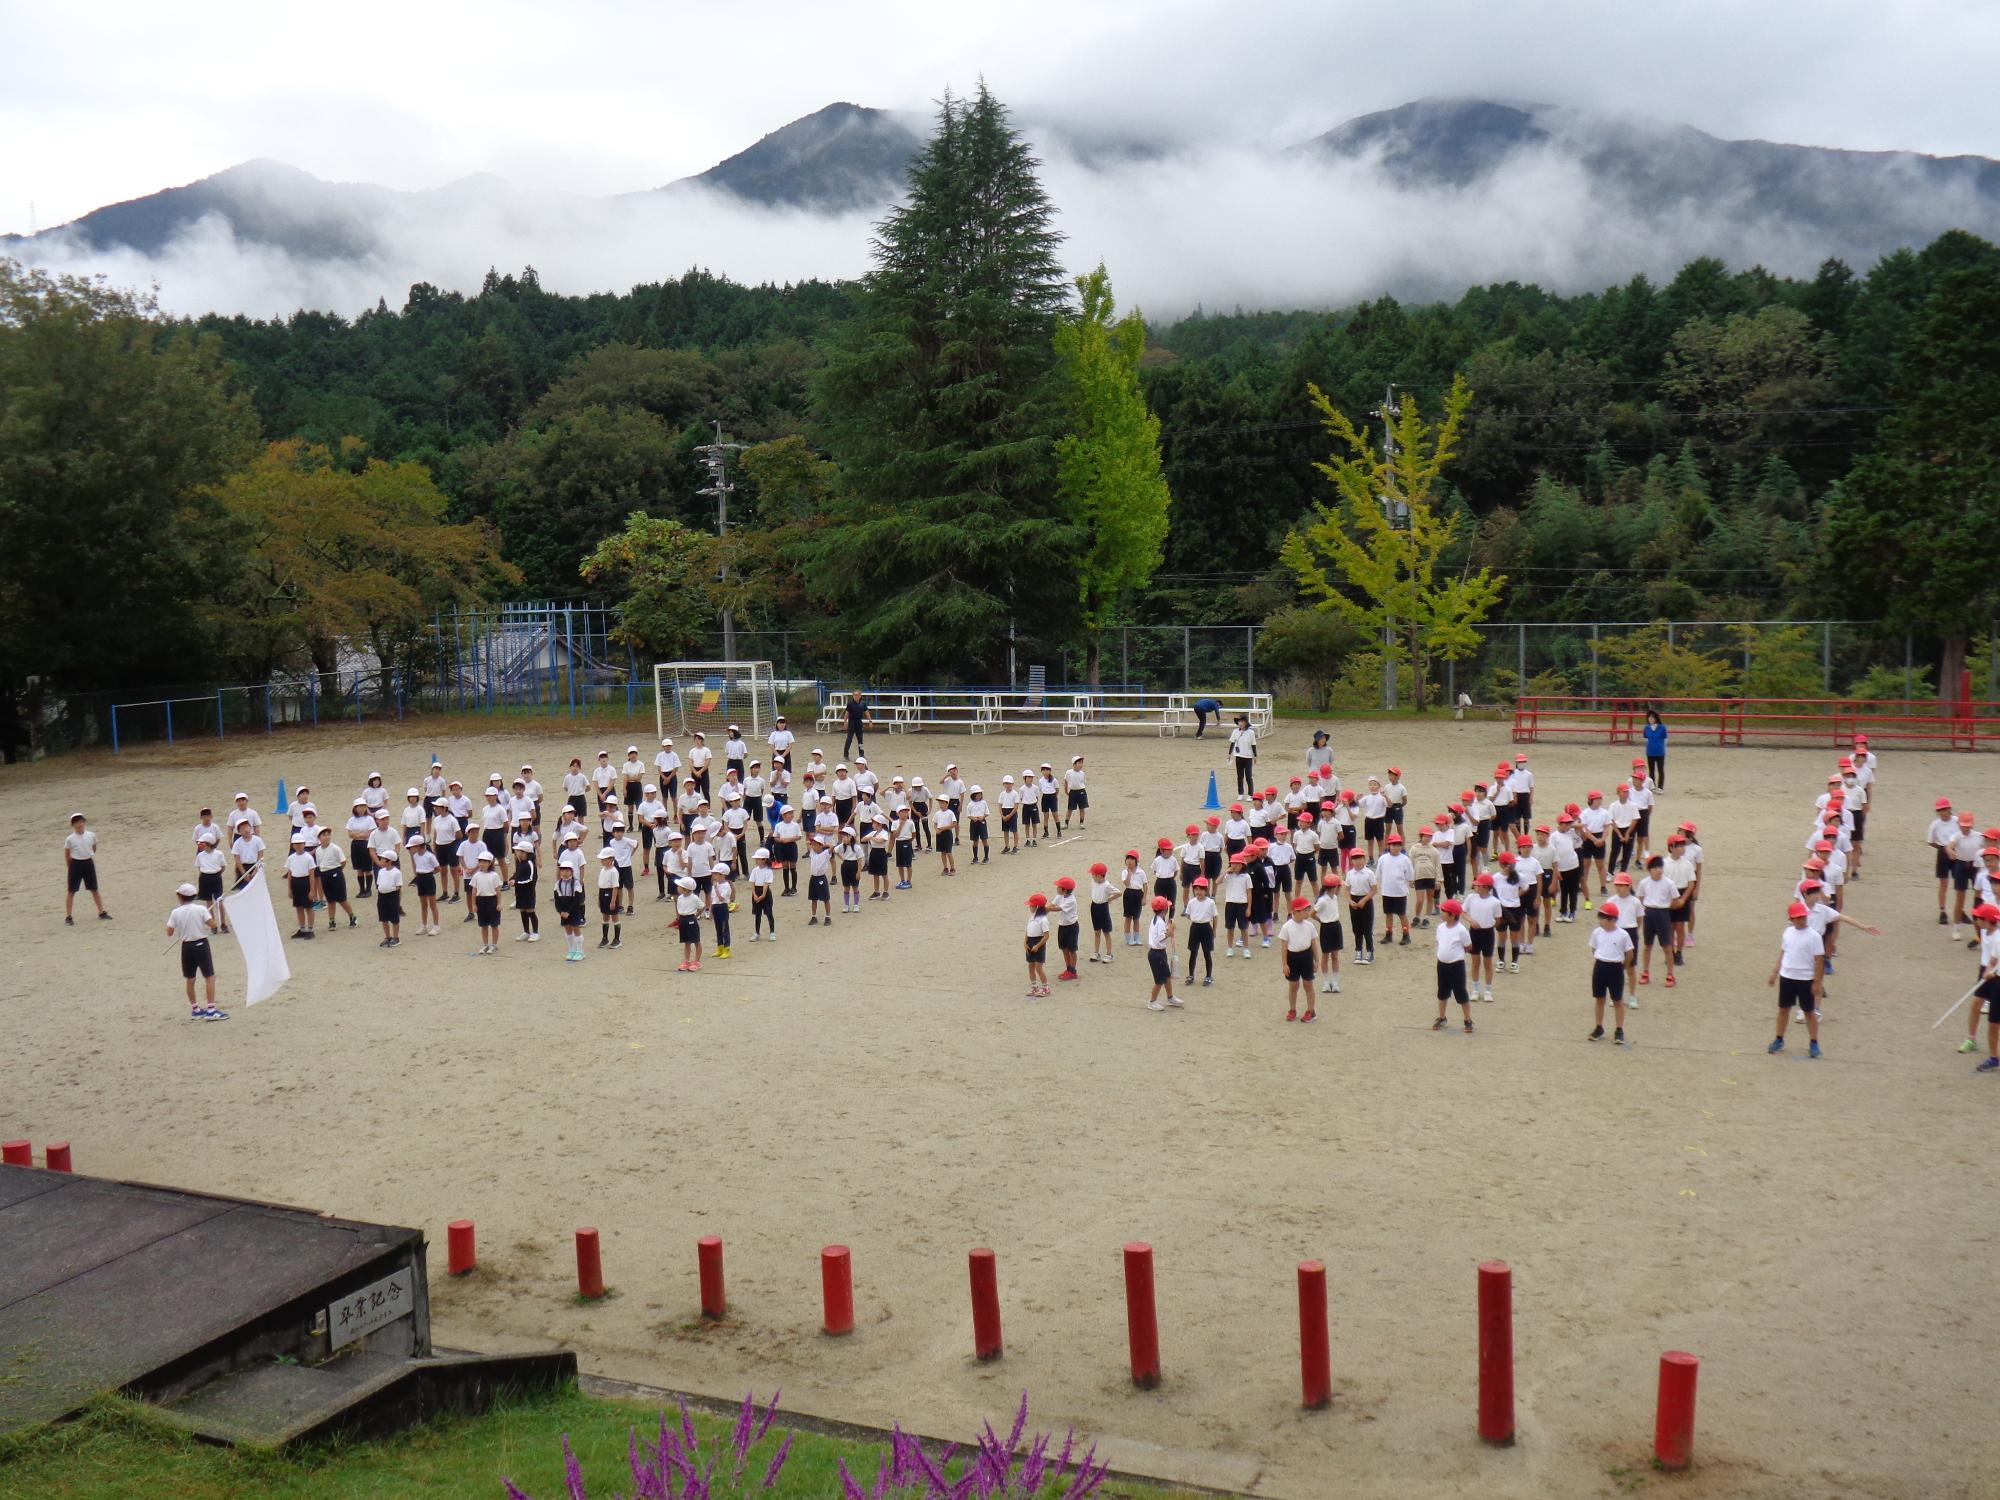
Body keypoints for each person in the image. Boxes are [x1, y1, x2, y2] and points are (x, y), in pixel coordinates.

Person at [1767, 901, 1825, 1057]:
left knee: (1809, 1012)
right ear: (1791, 919)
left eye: (1803, 917)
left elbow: (1819, 961)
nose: (1802, 920)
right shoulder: (1787, 933)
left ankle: (1814, 1042)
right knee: (1783, 1009)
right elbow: (1783, 953)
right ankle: (1779, 1039)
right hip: (1787, 977)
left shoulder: (1814, 936)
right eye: (1798, 918)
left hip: (1805, 979)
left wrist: (1817, 982)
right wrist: (1775, 972)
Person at [167, 882, 226, 1021]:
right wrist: (205, 919)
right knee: (209, 976)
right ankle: (211, 1009)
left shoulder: (176, 912)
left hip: (186, 946)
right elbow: (213, 925)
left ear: (180, 896)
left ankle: (195, 1009)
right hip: (201, 944)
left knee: (190, 978)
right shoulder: (200, 909)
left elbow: (169, 932)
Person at [1588, 901, 1633, 1044]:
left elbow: (1629, 954)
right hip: (1600, 966)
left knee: (1617, 1000)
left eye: (1603, 918)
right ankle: (1599, 1027)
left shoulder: (1623, 935)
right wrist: (1601, 958)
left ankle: (1619, 1029)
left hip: (1615, 968)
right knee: (1599, 999)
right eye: (1600, 917)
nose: (1600, 920)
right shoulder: (1597, 932)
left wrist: (1622, 967)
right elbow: (1594, 948)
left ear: (1613, 919)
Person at [1963, 902, 2000, 1067]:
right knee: (1976, 1004)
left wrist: (1994, 973)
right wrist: (1987, 971)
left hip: (1996, 977)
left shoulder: (1998, 938)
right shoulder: (1984, 932)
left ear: (1987, 920)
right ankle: (1971, 1039)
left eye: (1978, 918)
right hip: (1986, 971)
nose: (1976, 920)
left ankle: (1994, 1057)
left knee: (1994, 1020)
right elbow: (1991, 960)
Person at [1636, 854, 1680, 988]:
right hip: (1649, 913)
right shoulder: (1644, 883)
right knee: (1647, 945)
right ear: (1649, 869)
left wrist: (1667, 907)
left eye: (1660, 867)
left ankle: (1670, 974)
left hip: (1663, 913)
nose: (1659, 870)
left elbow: (1675, 899)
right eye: (1655, 867)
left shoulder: (1669, 883)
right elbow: (1640, 898)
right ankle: (1645, 972)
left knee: (1667, 946)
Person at [1432, 898, 1474, 1033]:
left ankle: (1467, 1019)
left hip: (1456, 966)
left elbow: (1468, 946)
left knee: (1461, 992)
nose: (1441, 912)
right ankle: (1442, 1017)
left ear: (1452, 915)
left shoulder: (1461, 930)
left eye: (1444, 911)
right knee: (1442, 992)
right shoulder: (1440, 927)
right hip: (1442, 965)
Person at [63, 811, 110, 924]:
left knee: (94, 889)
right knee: (71, 891)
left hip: (88, 863)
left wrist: (88, 854)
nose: (79, 824)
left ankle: (101, 912)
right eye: (76, 823)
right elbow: (67, 853)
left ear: (84, 822)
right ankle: (68, 916)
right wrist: (70, 866)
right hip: (75, 864)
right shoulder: (70, 839)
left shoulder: (91, 835)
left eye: (81, 822)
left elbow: (93, 847)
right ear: (73, 825)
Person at [1377, 832, 1414, 946]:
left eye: (1398, 845)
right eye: (1393, 845)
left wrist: (1410, 881)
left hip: (1400, 892)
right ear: (1389, 846)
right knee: (1388, 914)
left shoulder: (1405, 859)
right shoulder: (1383, 858)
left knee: (1402, 914)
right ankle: (1388, 934)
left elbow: (1409, 874)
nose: (1396, 847)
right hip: (1387, 891)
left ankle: (1406, 934)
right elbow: (1378, 873)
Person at [314, 826, 354, 931]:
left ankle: (352, 916)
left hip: (336, 873)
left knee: (342, 899)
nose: (326, 837)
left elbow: (343, 861)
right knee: (330, 900)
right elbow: (319, 865)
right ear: (319, 838)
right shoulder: (318, 851)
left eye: (328, 835)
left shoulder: (335, 848)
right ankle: (332, 921)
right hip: (324, 874)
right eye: (324, 835)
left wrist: (337, 871)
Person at [1145, 895, 1180, 1011]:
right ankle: (1152, 1001)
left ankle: (1170, 997)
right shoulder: (1159, 922)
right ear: (1165, 910)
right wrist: (1171, 929)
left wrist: (1168, 929)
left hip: (1158, 953)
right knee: (1159, 980)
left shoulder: (1156, 920)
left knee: (1167, 976)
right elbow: (1161, 938)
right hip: (1157, 954)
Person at [1313, 870, 1345, 994]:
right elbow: (1312, 913)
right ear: (1334, 887)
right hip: (1326, 927)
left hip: (1336, 926)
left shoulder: (1334, 898)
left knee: (1335, 955)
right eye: (1339, 886)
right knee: (1326, 955)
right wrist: (1321, 921)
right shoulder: (1322, 900)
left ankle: (1335, 982)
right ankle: (1326, 982)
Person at [1185, 875, 1218, 986]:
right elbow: (1188, 915)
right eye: (1196, 889)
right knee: (1193, 952)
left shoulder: (1210, 902)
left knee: (1206, 953)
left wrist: (1214, 930)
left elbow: (1215, 917)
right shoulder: (1191, 902)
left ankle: (1208, 976)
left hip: (1206, 928)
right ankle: (1191, 975)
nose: (1198, 892)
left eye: (1201, 889)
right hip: (1195, 927)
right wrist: (1196, 918)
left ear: (1206, 890)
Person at [284, 833, 317, 940]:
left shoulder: (308, 858)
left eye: (300, 843)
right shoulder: (291, 858)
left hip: (305, 882)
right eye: (296, 844)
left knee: (308, 907)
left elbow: (312, 875)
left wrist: (312, 890)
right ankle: (302, 929)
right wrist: (289, 889)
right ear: (293, 845)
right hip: (295, 882)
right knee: (299, 907)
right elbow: (290, 874)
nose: (298, 846)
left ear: (304, 844)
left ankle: (310, 929)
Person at [373, 849, 404, 948]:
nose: (380, 860)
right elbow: (379, 884)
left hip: (392, 896)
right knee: (383, 918)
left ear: (389, 861)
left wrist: (398, 901)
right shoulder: (381, 871)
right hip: (382, 896)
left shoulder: (397, 872)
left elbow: (398, 886)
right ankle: (387, 937)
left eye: (383, 859)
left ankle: (396, 937)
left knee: (394, 918)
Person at [1053, 874, 1081, 981]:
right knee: (1064, 949)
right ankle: (1068, 969)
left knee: (1072, 950)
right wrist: (1043, 909)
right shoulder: (1059, 896)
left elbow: (1058, 908)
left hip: (1071, 927)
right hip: (1062, 926)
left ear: (1064, 890)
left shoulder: (1071, 900)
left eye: (1059, 887)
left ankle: (1073, 971)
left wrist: (1045, 909)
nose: (1057, 888)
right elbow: (1052, 905)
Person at [512, 836, 539, 942]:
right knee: (522, 911)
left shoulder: (530, 864)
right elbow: (517, 874)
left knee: (530, 911)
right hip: (519, 892)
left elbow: (531, 879)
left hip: (528, 892)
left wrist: (516, 882)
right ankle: (526, 932)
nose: (516, 852)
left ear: (524, 853)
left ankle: (535, 932)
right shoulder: (520, 863)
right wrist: (512, 879)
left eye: (518, 851)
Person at [1228, 714, 1258, 797]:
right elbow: (1232, 743)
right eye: (1239, 721)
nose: (1240, 723)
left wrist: (1255, 756)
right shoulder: (1235, 731)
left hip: (1248, 757)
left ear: (1246, 723)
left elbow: (1253, 744)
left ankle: (1250, 794)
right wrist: (1229, 754)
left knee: (1248, 776)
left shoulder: (1251, 732)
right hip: (1238, 756)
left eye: (1242, 721)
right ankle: (1240, 793)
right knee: (1240, 776)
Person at [1643, 709, 1668, 789]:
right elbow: (1646, 739)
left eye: (1652, 717)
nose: (1651, 719)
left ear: (1656, 718)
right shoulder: (1646, 728)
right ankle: (1652, 786)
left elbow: (1665, 739)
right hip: (1650, 752)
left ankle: (1660, 787)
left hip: (1660, 752)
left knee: (1660, 770)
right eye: (1649, 717)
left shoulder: (1662, 727)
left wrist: (1663, 748)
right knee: (1651, 770)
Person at [1063, 756, 1089, 834]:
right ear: (1074, 764)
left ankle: (1081, 822)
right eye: (1079, 763)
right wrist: (1066, 790)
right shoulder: (1068, 772)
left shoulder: (1082, 773)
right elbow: (1066, 781)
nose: (1081, 765)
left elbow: (1084, 783)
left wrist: (1082, 791)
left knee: (1082, 808)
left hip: (1081, 791)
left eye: (1081, 763)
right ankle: (1066, 823)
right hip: (1072, 792)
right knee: (1070, 808)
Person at [841, 692, 870, 761]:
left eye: (857, 695)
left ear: (860, 696)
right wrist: (845, 722)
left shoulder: (863, 703)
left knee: (860, 740)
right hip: (852, 723)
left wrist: (870, 720)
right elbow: (847, 713)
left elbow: (866, 712)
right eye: (854, 695)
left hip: (859, 723)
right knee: (849, 739)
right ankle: (846, 755)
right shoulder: (850, 704)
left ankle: (861, 754)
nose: (855, 696)